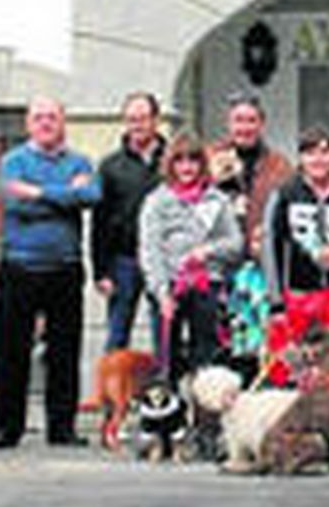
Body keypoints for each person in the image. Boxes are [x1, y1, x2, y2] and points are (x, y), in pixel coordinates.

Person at [0, 97, 100, 450]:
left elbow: (91, 196)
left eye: (52, 117)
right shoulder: (12, 161)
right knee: (11, 352)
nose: (46, 123)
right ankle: (7, 427)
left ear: (63, 122)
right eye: (39, 117)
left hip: (65, 267)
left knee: (65, 351)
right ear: (28, 124)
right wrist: (67, 193)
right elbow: (13, 201)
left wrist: (38, 192)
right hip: (20, 265)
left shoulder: (80, 160)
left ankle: (62, 427)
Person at [139, 131, 246, 385]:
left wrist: (208, 251)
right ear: (171, 165)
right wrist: (162, 292)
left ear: (202, 164)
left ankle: (204, 417)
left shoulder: (217, 200)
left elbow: (235, 243)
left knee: (206, 358)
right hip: (170, 289)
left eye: (193, 160)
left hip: (207, 286)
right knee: (169, 360)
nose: (186, 167)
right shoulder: (157, 201)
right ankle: (171, 414)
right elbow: (150, 250)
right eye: (180, 161)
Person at [260, 126, 329, 386]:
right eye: (311, 152)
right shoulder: (284, 194)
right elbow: (271, 247)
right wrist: (276, 302)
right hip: (295, 299)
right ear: (301, 158)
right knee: (286, 371)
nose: (318, 160)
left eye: (325, 152)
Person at [91, 92, 166, 353]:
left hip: (163, 259)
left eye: (143, 119)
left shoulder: (174, 161)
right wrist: (100, 271)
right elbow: (99, 221)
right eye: (131, 119)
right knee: (117, 336)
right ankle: (109, 394)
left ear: (156, 120)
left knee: (165, 336)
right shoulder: (110, 166)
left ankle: (163, 391)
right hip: (123, 260)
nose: (137, 126)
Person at [215, 90, 294, 259]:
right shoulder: (209, 159)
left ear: (261, 124)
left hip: (263, 257)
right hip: (219, 257)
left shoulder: (280, 166)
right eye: (238, 120)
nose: (244, 128)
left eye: (251, 121)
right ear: (228, 124)